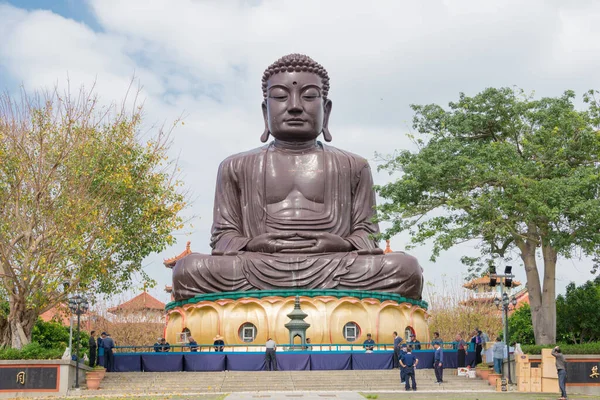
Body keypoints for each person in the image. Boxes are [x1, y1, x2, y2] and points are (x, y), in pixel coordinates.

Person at [171, 54, 424, 302]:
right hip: (258, 265)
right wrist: (254, 244)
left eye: (310, 96)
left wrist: (338, 244)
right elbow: (223, 236)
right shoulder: (235, 166)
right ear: (265, 110)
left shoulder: (353, 165)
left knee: (405, 268)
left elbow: (367, 234)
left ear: (326, 109)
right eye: (280, 96)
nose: (294, 106)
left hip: (335, 265)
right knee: (188, 270)